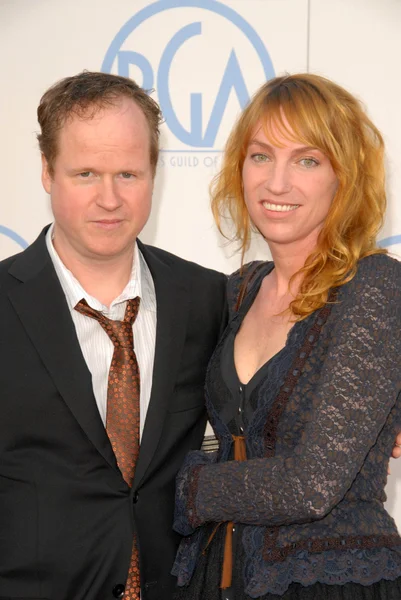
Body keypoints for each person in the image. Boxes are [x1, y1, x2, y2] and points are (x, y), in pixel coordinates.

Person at [172, 73, 401, 599]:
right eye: (261, 156)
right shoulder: (237, 291)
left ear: (345, 177)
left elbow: (311, 485)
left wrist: (185, 487)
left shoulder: (372, 286)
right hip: (214, 577)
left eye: (307, 160)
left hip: (331, 581)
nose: (277, 183)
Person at [0, 71, 227, 600]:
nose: (110, 198)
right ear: (46, 172)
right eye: (85, 174)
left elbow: (278, 394)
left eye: (128, 173)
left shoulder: (210, 300)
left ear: (154, 173)